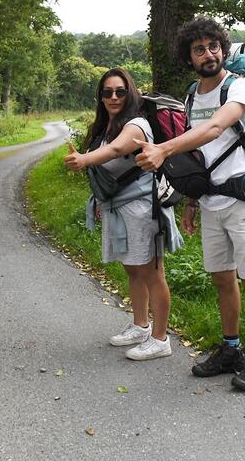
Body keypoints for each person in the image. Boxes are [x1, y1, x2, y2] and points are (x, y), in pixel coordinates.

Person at [134, 17, 245, 390]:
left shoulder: (240, 87)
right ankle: (231, 349)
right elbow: (200, 151)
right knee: (221, 279)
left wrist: (162, 149)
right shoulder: (191, 95)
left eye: (214, 46)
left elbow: (215, 128)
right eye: (199, 49)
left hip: (244, 199)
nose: (208, 54)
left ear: (223, 50)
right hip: (211, 200)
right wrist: (192, 200)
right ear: (190, 56)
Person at [64, 68, 183, 361]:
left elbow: (118, 150)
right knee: (133, 270)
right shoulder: (107, 125)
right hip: (119, 208)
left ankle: (160, 338)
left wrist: (83, 159)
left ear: (131, 93)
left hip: (143, 208)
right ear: (100, 97)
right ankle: (141, 325)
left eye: (120, 91)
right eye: (107, 92)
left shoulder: (137, 124)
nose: (114, 97)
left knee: (152, 273)